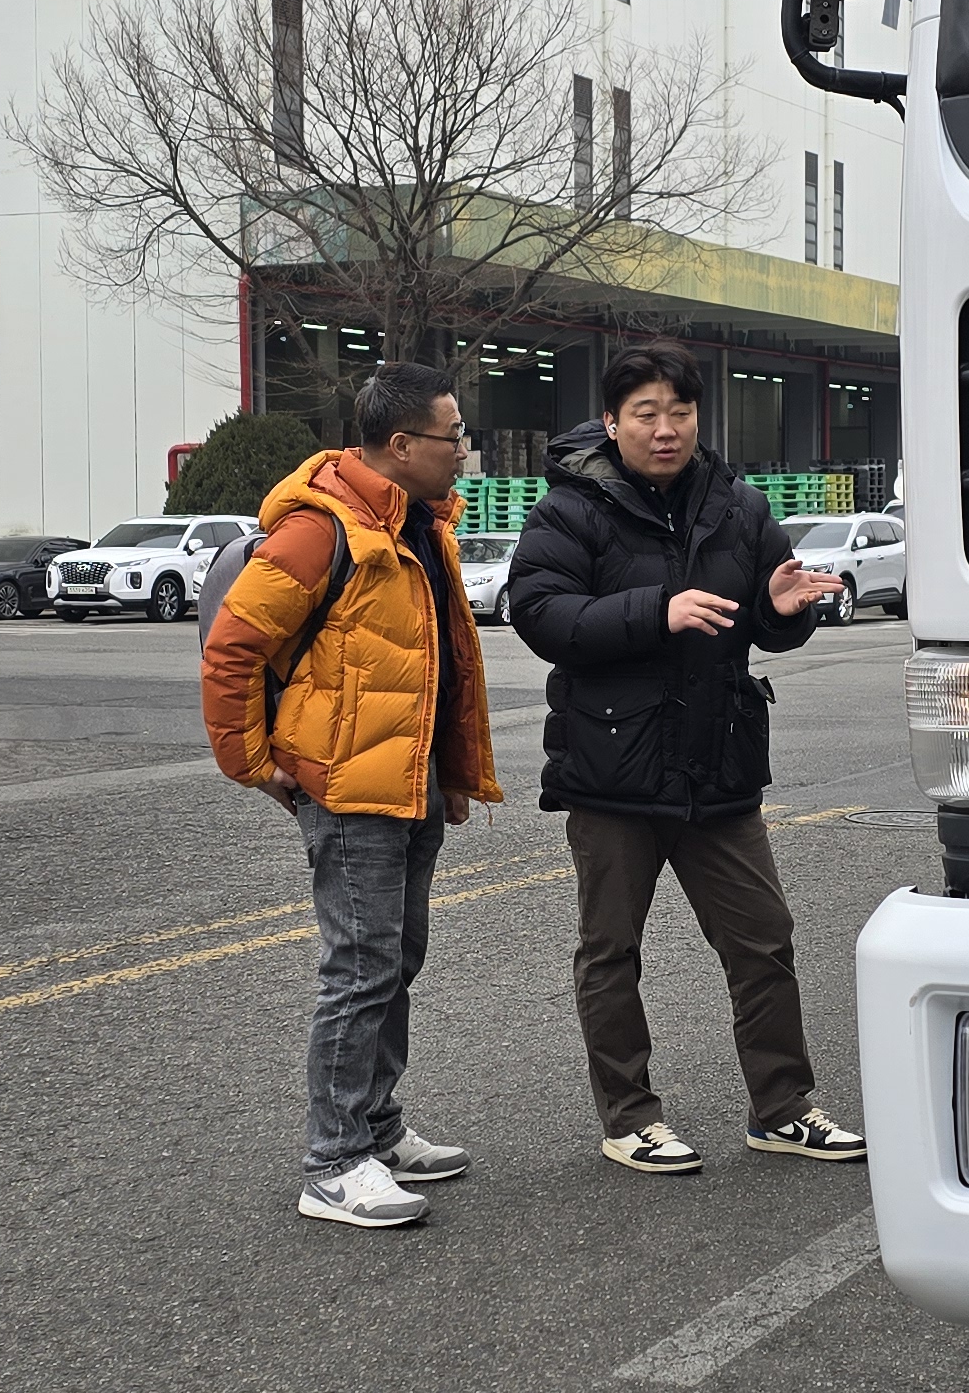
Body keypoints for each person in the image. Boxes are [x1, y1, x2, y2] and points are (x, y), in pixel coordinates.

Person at [504, 344, 867, 1176]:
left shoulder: (737, 504)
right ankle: (630, 1117)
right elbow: (541, 614)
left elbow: (764, 619)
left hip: (717, 763)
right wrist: (655, 611)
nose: (665, 429)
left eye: (680, 412)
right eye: (646, 414)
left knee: (764, 942)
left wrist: (782, 612)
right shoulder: (570, 508)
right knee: (611, 951)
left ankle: (783, 1108)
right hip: (614, 767)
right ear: (611, 421)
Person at [200, 361, 501, 1229]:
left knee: (395, 961)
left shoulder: (419, 525)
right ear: (401, 444)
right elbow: (232, 650)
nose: (462, 452)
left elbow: (438, 664)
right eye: (452, 437)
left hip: (408, 783)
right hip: (349, 789)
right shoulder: (318, 530)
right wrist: (252, 763)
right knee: (360, 969)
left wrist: (449, 773)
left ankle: (376, 1128)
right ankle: (332, 1163)